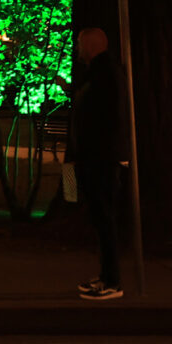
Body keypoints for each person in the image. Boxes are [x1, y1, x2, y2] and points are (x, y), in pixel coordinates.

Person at [71, 26, 126, 300]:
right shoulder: (102, 73)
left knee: (104, 218)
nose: (78, 49)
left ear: (90, 46)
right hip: (97, 158)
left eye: (81, 44)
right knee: (101, 217)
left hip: (99, 159)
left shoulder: (103, 76)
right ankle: (106, 275)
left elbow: (103, 119)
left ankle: (112, 281)